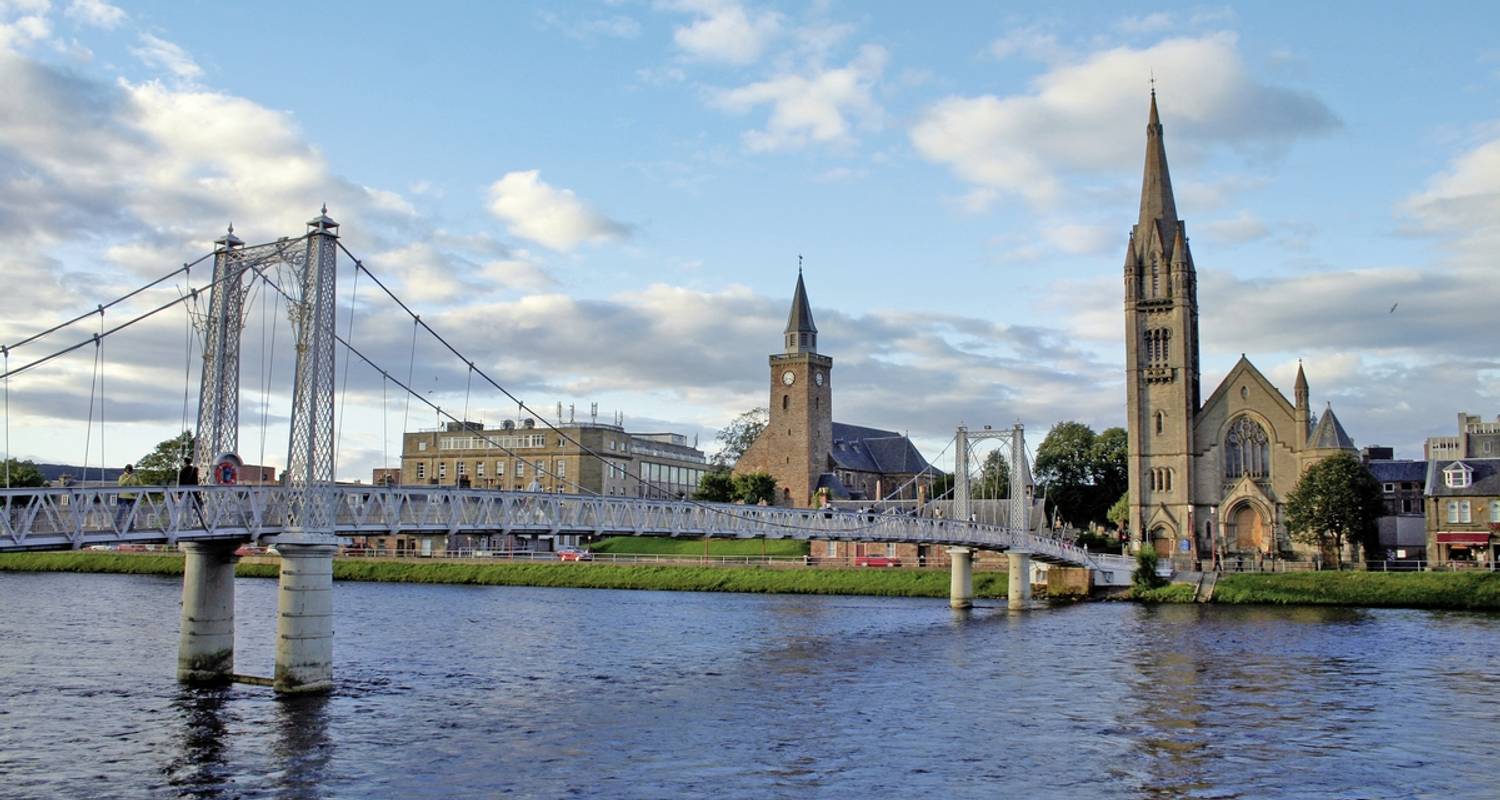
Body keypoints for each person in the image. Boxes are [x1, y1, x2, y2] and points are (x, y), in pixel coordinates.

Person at [115, 464, 141, 531]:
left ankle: (130, 527)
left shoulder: (134, 477)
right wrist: (128, 477)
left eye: (130, 470)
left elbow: (141, 485)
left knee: (132, 512)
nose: (129, 471)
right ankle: (116, 526)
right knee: (121, 512)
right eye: (128, 470)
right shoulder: (122, 476)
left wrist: (138, 478)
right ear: (125, 470)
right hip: (123, 496)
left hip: (132, 497)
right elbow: (121, 484)